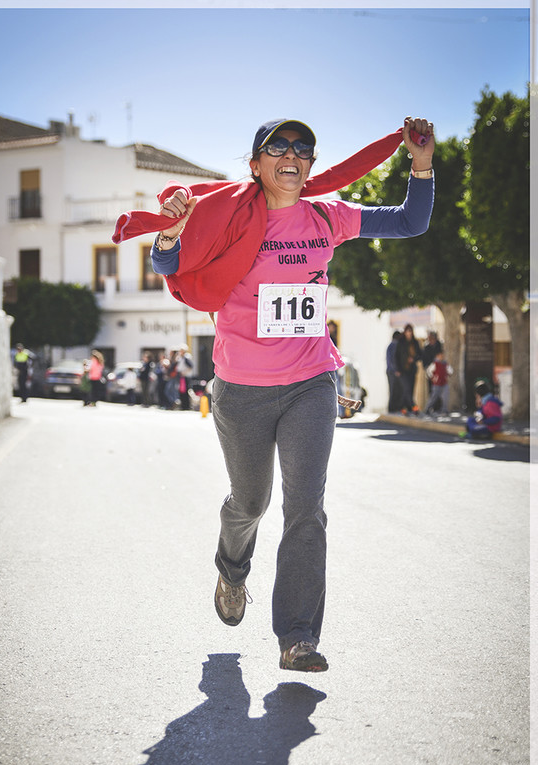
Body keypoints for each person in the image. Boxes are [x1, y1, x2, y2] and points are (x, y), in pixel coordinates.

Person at [140, 116, 435, 672]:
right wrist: (171, 231)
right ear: (256, 165)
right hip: (241, 390)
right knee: (250, 502)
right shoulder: (225, 215)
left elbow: (410, 222)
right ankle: (232, 569)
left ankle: (297, 637)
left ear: (310, 166)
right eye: (278, 146)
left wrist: (419, 163)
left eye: (304, 148)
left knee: (306, 509)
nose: (292, 153)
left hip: (310, 384)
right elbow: (167, 263)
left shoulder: (328, 215)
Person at [395, 324, 422, 414]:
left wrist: (413, 359)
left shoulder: (415, 343)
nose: (409, 333)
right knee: (406, 389)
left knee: (410, 389)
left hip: (412, 370)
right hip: (402, 370)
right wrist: (397, 369)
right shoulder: (401, 342)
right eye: (407, 331)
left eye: (410, 331)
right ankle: (414, 407)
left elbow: (419, 355)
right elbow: (396, 357)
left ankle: (404, 408)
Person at [424, 349, 452, 416]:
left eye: (442, 356)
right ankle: (427, 408)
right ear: (437, 356)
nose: (441, 357)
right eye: (440, 356)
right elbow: (428, 371)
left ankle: (444, 410)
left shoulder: (445, 364)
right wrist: (432, 378)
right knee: (434, 396)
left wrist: (448, 376)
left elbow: (450, 371)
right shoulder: (434, 364)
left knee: (445, 396)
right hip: (437, 384)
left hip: (444, 383)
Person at [386, 331, 402, 413]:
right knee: (394, 390)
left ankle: (393, 408)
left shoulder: (391, 345)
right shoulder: (394, 345)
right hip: (392, 372)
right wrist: (396, 370)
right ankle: (392, 408)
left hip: (391, 371)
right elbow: (392, 360)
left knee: (394, 390)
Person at [176, 344, 194, 410]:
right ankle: (183, 405)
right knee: (181, 391)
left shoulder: (186, 357)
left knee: (185, 391)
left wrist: (184, 372)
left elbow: (190, 366)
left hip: (185, 377)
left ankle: (186, 406)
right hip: (181, 377)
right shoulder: (180, 358)